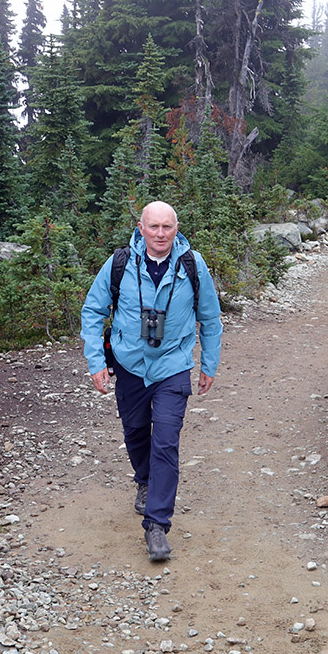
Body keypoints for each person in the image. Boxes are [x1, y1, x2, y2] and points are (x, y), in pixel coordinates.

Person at [80, 201, 222, 562]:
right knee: (136, 432)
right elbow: (93, 310)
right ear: (140, 228)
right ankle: (143, 480)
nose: (160, 234)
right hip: (129, 366)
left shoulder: (193, 265)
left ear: (177, 229)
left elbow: (210, 316)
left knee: (166, 442)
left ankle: (157, 525)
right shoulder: (120, 263)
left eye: (167, 227)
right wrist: (96, 361)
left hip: (173, 366)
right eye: (153, 227)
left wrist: (209, 364)